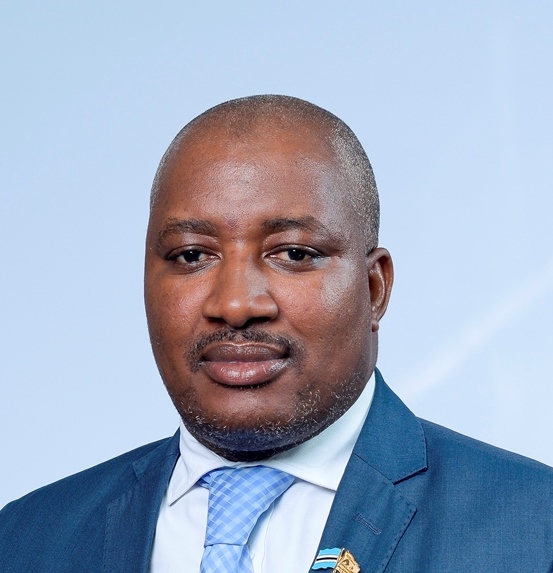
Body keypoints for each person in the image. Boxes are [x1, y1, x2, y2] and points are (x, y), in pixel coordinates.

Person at [1, 95, 552, 573]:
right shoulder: (25, 540)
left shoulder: (534, 529)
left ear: (374, 288)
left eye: (293, 254)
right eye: (191, 255)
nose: (236, 305)